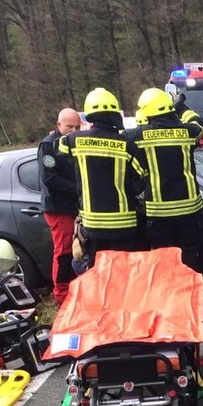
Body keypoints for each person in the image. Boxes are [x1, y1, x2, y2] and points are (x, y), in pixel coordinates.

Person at [126, 87, 203, 273]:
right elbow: (199, 123)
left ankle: (171, 300)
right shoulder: (189, 132)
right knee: (189, 262)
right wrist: (181, 107)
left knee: (165, 264)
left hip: (159, 214)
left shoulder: (138, 136)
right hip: (190, 211)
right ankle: (191, 299)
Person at [58, 87, 145, 258]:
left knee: (97, 273)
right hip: (124, 224)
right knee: (123, 272)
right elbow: (141, 176)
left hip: (93, 225)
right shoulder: (126, 144)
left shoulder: (75, 141)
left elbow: (59, 146)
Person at [38, 107, 82, 304]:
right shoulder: (48, 146)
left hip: (76, 206)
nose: (73, 130)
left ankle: (76, 290)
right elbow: (51, 179)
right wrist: (81, 190)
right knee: (64, 252)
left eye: (77, 127)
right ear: (58, 125)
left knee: (79, 251)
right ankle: (62, 294)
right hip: (59, 207)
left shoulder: (78, 143)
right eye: (69, 126)